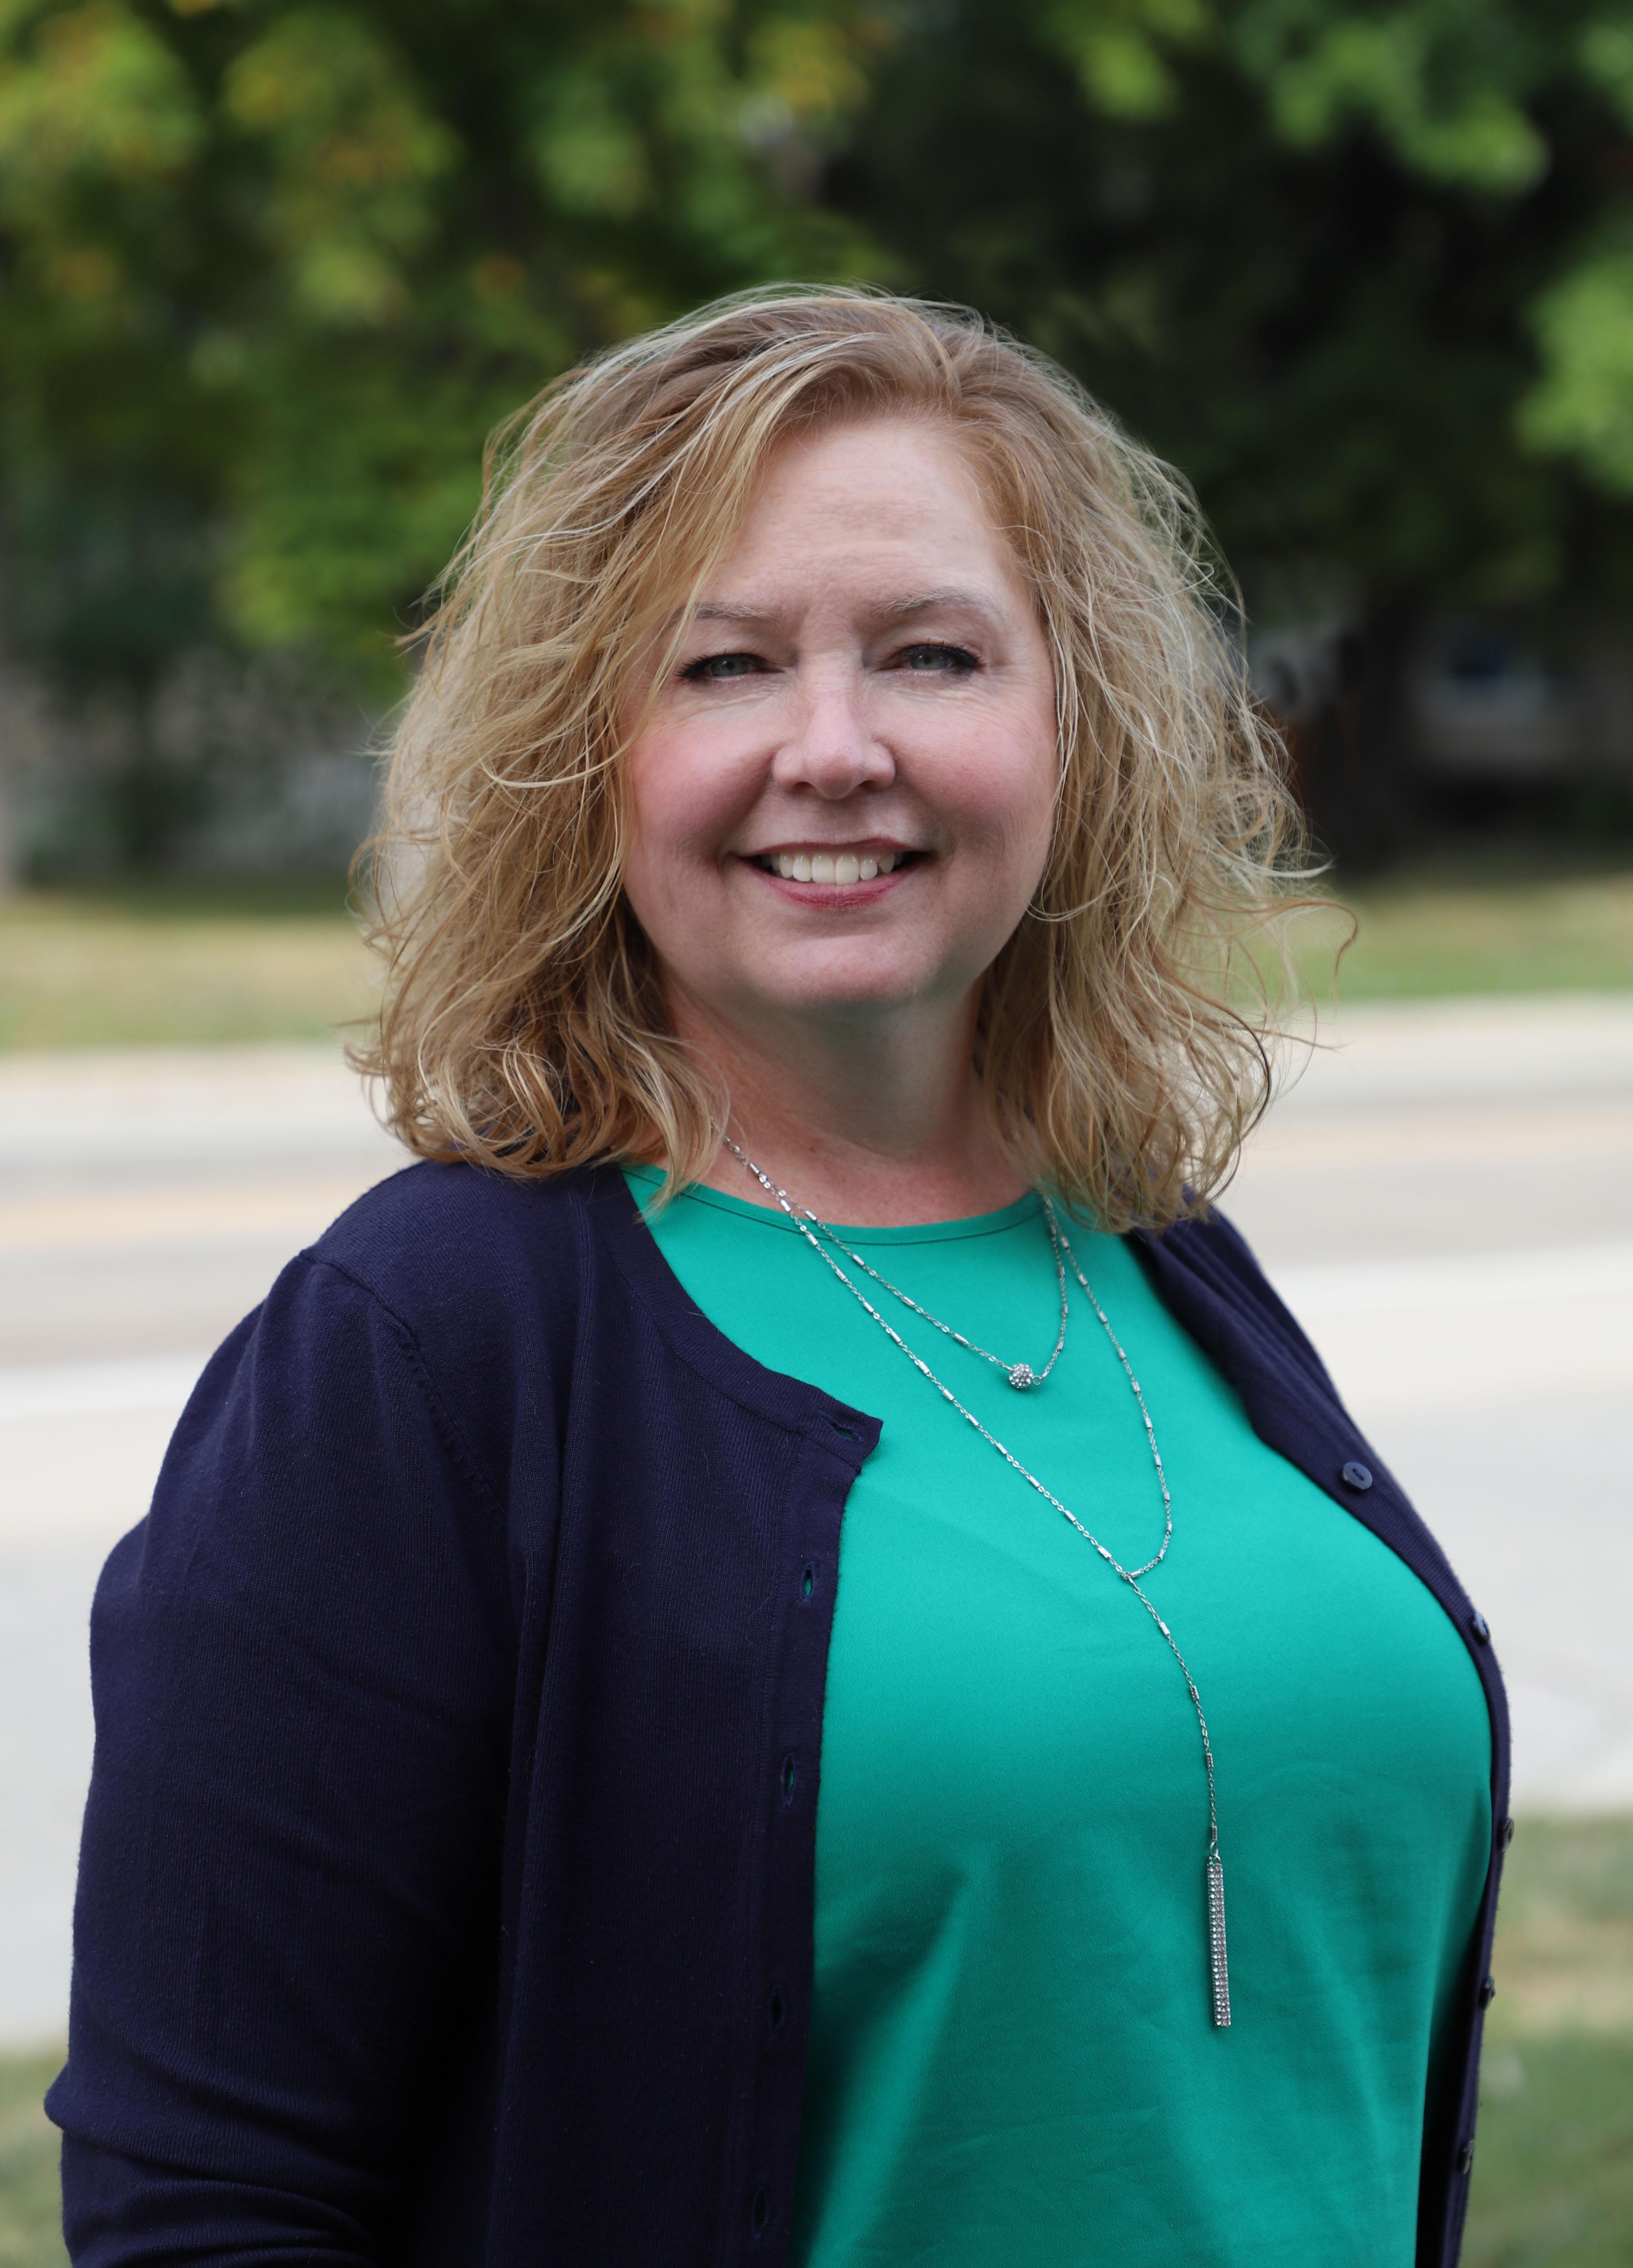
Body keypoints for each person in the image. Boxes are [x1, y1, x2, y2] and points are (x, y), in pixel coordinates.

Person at [48, 289, 1509, 2268]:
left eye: (930, 652)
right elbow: (209, 2204)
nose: (836, 749)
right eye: (723, 665)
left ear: (1072, 722)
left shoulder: (1169, 1265)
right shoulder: (427, 1351)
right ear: (588, 750)